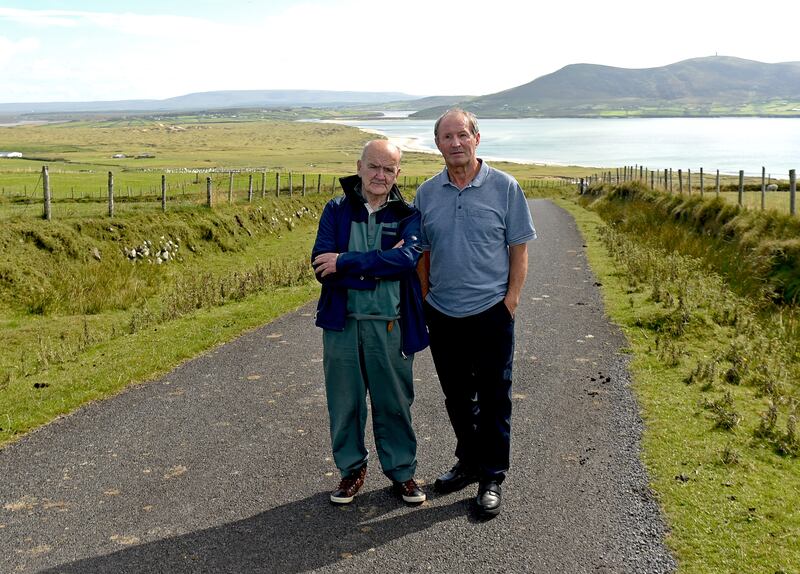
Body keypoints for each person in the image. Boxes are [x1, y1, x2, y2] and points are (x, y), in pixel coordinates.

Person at [414, 109, 536, 517]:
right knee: (457, 397)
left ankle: (492, 476)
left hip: (491, 312)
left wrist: (510, 302)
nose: (455, 143)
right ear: (438, 144)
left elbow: (518, 249)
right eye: (447, 137)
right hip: (443, 313)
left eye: (462, 135)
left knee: (494, 395)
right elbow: (424, 252)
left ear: (476, 139)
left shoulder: (504, 187)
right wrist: (426, 298)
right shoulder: (426, 194)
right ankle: (468, 463)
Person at [312, 139, 429, 506]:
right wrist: (380, 264)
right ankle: (351, 471)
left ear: (398, 173)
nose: (380, 175)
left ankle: (402, 473)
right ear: (359, 167)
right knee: (344, 403)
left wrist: (346, 262)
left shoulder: (408, 214)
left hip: (391, 325)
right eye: (374, 167)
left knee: (394, 402)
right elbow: (321, 266)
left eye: (388, 169)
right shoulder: (336, 210)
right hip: (342, 324)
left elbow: (407, 260)